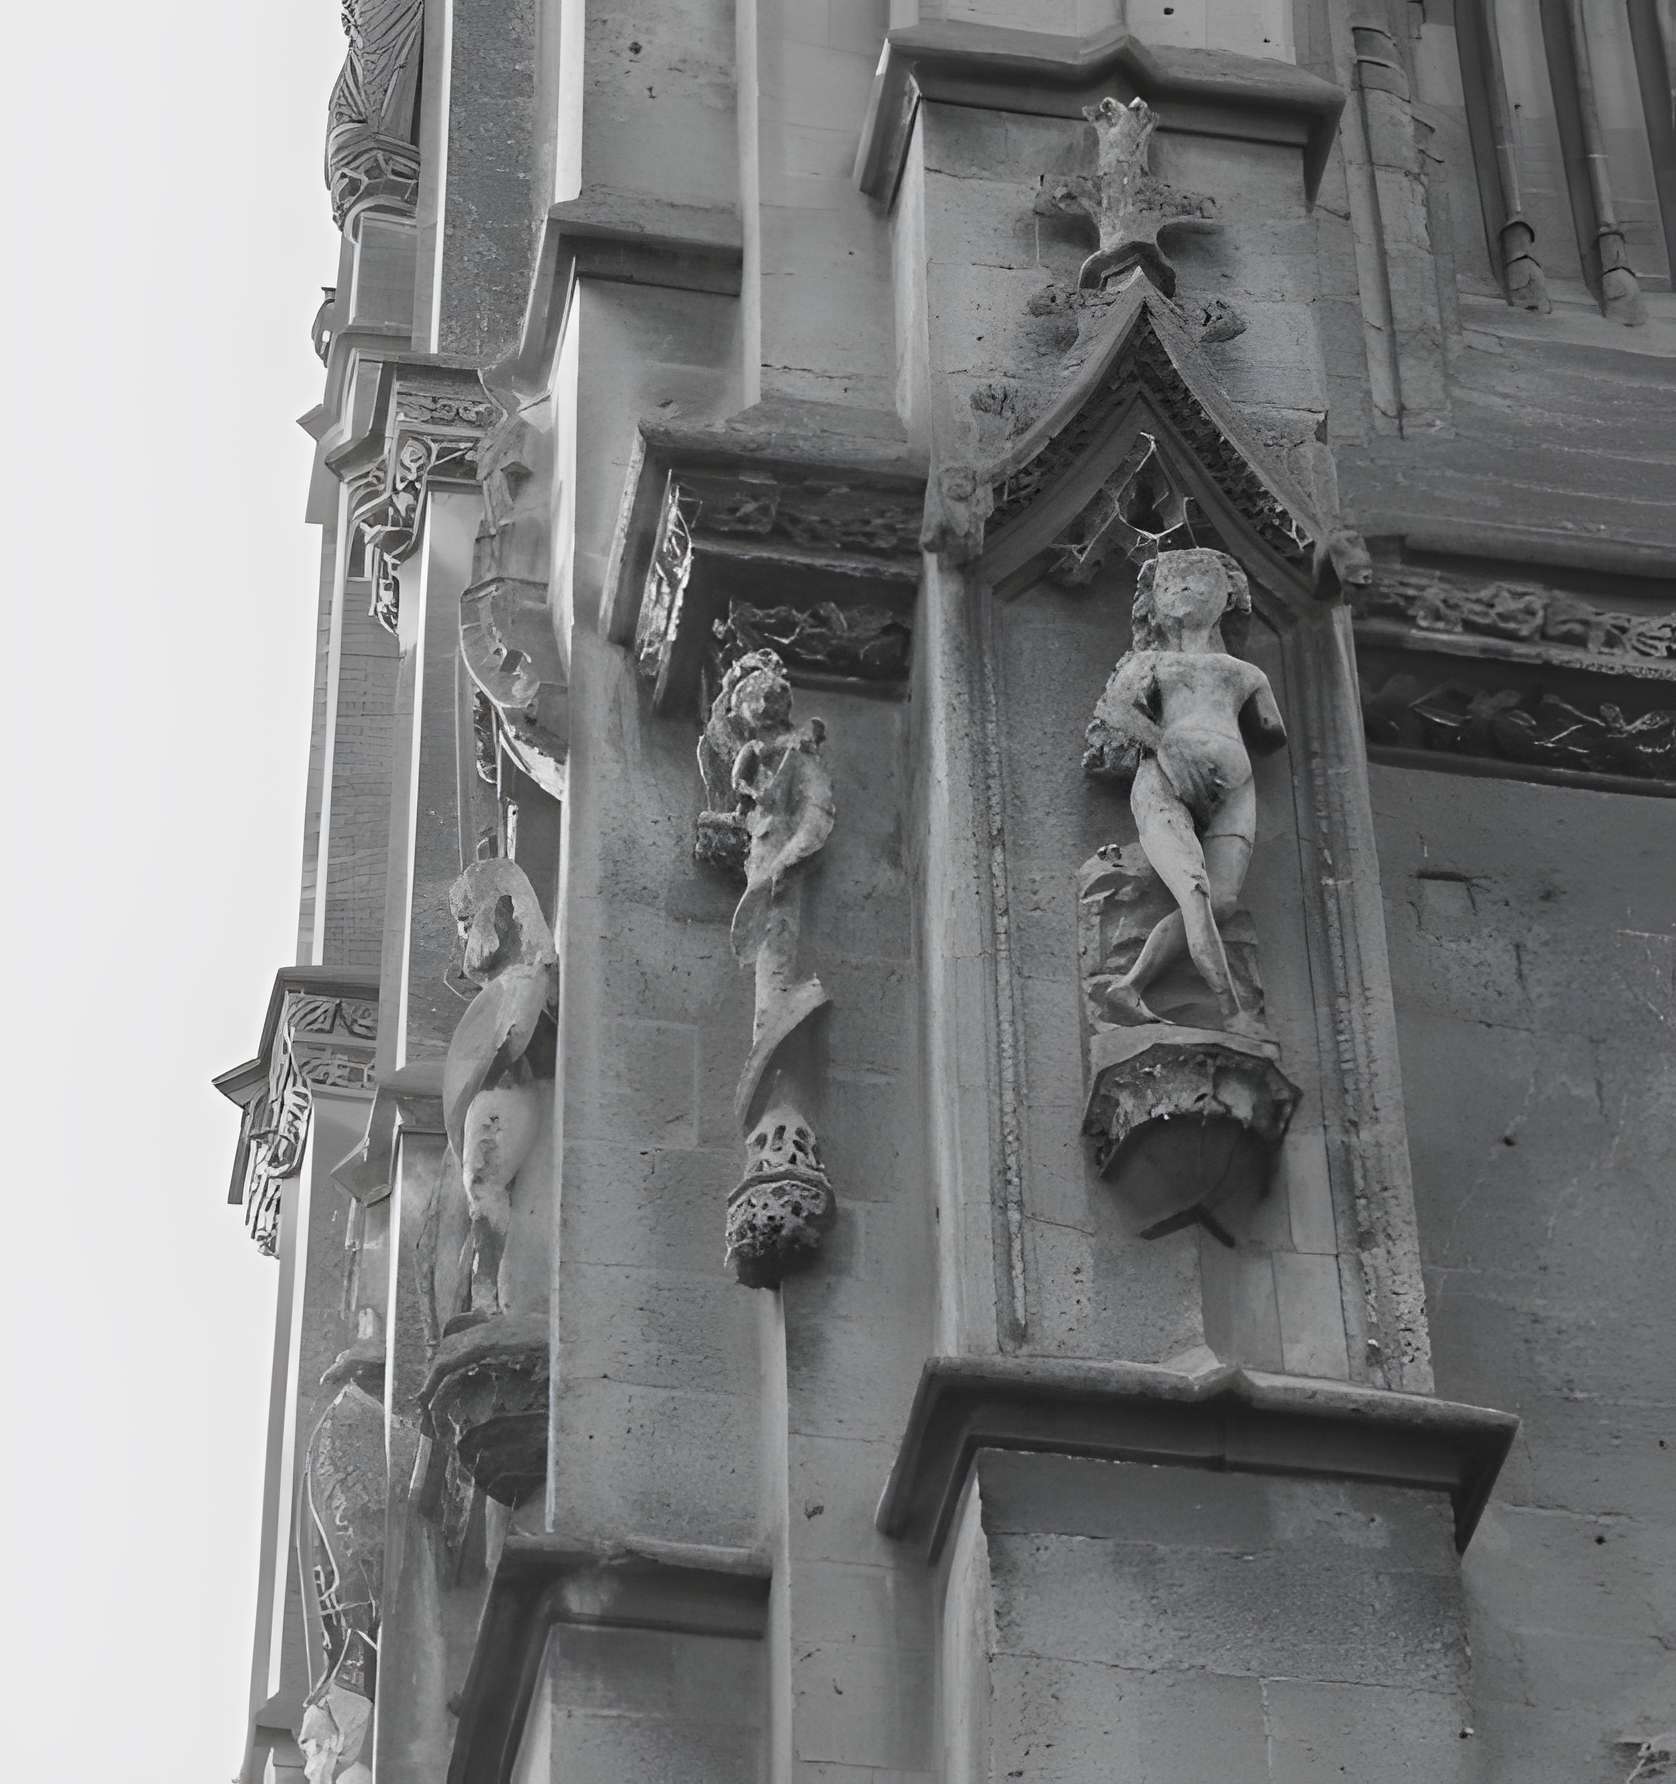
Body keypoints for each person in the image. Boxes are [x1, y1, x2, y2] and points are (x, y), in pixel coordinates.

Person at [1083, 548, 1286, 1033]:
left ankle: (1129, 986)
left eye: (1200, 578)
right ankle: (1233, 1011)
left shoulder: (1245, 673)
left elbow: (1271, 729)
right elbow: (1114, 709)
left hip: (1236, 790)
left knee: (1222, 902)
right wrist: (1167, 746)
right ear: (1154, 599)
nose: (1185, 587)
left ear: (1228, 594)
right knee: (1195, 892)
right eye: (1172, 581)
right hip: (1164, 783)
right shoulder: (1152, 662)